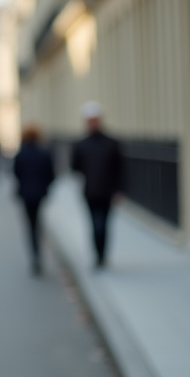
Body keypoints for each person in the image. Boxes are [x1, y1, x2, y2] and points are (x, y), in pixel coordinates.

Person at [71, 101, 124, 269]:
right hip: (90, 191)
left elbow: (120, 168)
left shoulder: (111, 143)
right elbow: (75, 167)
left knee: (104, 224)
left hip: (107, 191)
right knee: (95, 224)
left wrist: (120, 189)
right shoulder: (81, 144)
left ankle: (102, 255)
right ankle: (98, 255)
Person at [11, 124, 55, 275]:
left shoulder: (20, 154)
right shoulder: (44, 154)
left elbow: (16, 173)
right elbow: (51, 175)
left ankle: (35, 256)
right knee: (37, 222)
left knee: (30, 225)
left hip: (25, 194)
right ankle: (38, 254)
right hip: (40, 194)